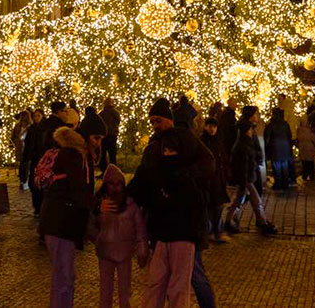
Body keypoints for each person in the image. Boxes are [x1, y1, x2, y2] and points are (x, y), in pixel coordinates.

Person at [131, 127, 205, 308]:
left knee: (157, 285)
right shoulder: (187, 172)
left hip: (164, 236)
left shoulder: (156, 171)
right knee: (177, 286)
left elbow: (136, 193)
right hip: (179, 236)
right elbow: (198, 205)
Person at [37, 125, 92, 308]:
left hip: (54, 220)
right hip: (63, 222)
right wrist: (96, 207)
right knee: (64, 275)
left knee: (62, 273)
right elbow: (78, 190)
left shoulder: (62, 156)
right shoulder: (73, 157)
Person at [92, 163, 147, 308]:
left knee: (125, 291)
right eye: (112, 184)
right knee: (105, 291)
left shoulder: (131, 205)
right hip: (105, 251)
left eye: (119, 184)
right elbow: (90, 225)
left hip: (125, 252)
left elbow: (140, 229)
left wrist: (142, 250)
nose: (116, 187)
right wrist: (98, 238)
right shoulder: (100, 204)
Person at [224, 120, 275, 235]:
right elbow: (243, 166)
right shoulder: (242, 146)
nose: (252, 131)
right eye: (250, 129)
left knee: (239, 201)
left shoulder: (245, 143)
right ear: (246, 131)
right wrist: (244, 181)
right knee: (256, 202)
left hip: (247, 177)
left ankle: (229, 221)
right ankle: (263, 223)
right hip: (246, 179)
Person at [198, 117, 232, 244]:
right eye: (209, 126)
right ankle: (212, 231)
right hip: (209, 179)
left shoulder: (219, 141)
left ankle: (216, 231)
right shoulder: (203, 141)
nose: (212, 129)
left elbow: (223, 158)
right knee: (211, 206)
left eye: (214, 126)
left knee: (218, 205)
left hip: (218, 178)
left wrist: (226, 174)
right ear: (205, 127)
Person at [263, 107, 293, 193]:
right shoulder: (285, 124)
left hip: (275, 147)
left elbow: (267, 137)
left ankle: (278, 183)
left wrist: (267, 147)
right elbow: (289, 136)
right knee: (284, 165)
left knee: (277, 166)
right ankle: (285, 183)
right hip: (285, 147)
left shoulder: (271, 125)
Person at [11, 111, 32, 187]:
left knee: (25, 164)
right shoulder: (18, 126)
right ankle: (22, 180)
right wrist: (16, 141)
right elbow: (13, 136)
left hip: (26, 147)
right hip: (20, 147)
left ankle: (24, 180)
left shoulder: (30, 127)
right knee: (22, 164)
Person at [99, 99, 121, 170]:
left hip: (105, 136)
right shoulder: (115, 112)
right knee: (112, 155)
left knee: (103, 155)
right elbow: (118, 121)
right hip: (113, 135)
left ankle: (104, 171)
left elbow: (100, 124)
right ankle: (114, 170)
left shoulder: (102, 113)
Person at [296, 116, 315, 181]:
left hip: (302, 147)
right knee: (310, 162)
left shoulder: (299, 130)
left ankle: (304, 175)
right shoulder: (309, 131)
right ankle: (311, 176)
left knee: (304, 162)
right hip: (309, 146)